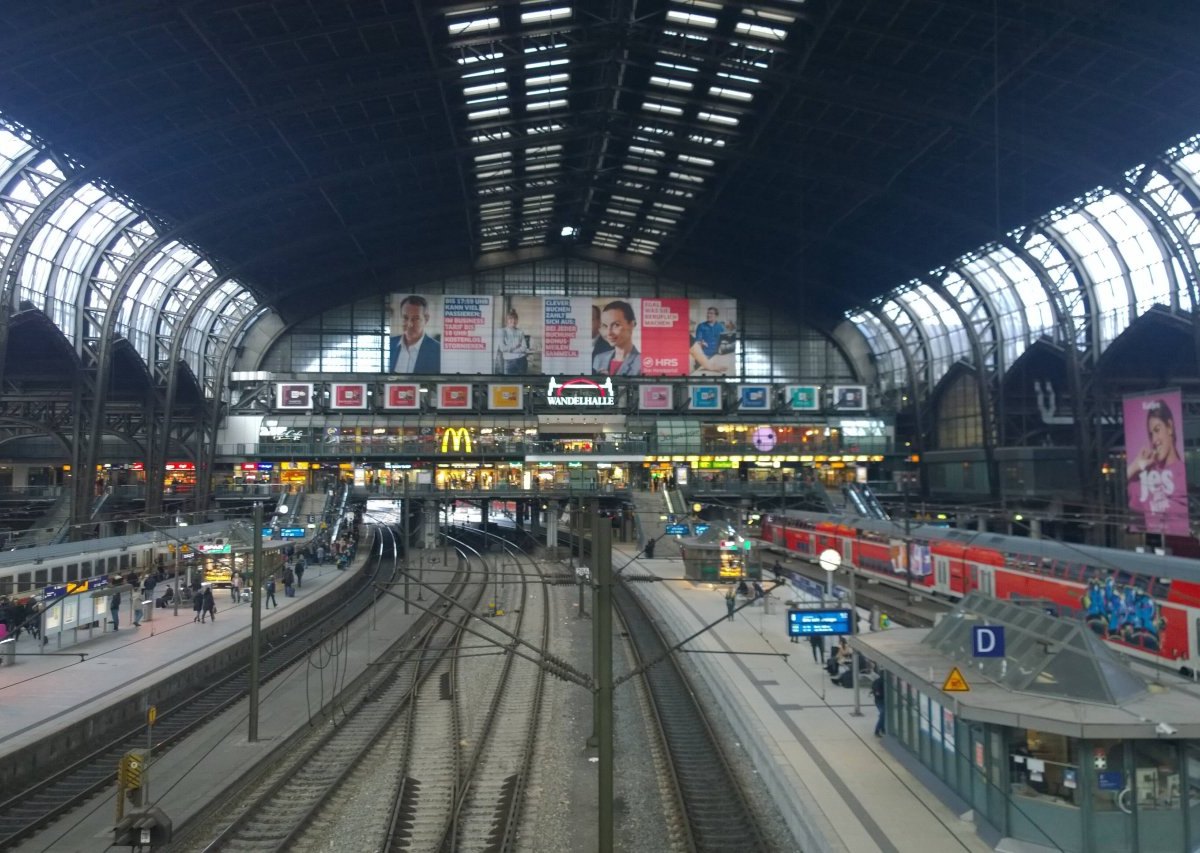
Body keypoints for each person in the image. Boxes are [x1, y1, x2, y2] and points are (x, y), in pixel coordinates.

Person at [1126, 398, 1187, 533]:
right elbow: (1119, 487)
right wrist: (1135, 466)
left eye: (1157, 430)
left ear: (1169, 427)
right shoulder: (1143, 477)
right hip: (1154, 546)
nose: (1154, 440)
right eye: (1150, 434)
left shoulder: (1184, 472)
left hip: (1185, 548)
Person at [388, 295, 441, 373]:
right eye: (405, 318)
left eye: (416, 319)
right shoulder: (389, 344)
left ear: (426, 319)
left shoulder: (438, 351)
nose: (410, 324)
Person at [591, 300, 641, 376]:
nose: (609, 333)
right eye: (605, 326)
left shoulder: (642, 362)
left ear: (631, 324)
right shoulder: (599, 359)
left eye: (616, 325)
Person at [690, 306, 727, 373]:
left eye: (711, 313)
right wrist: (701, 343)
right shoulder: (701, 326)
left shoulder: (721, 327)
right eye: (708, 313)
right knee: (698, 373)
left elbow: (724, 339)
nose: (708, 315)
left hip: (716, 355)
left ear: (716, 315)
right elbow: (698, 341)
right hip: (703, 356)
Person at [497, 309, 529, 374]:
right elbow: (502, 348)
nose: (513, 321)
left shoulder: (520, 332)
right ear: (507, 320)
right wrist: (516, 345)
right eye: (511, 319)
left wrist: (510, 350)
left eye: (515, 319)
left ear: (517, 320)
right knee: (509, 383)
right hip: (509, 362)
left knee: (522, 383)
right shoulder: (502, 331)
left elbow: (524, 348)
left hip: (521, 360)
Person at [872, 669, 886, 736]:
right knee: (883, 714)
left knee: (883, 715)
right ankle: (878, 729)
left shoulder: (876, 681)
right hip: (880, 701)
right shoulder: (880, 682)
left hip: (879, 700)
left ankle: (883, 728)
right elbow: (878, 693)